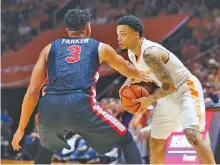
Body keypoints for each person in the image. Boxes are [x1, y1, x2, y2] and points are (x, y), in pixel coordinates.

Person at [11, 9, 152, 164]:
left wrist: (21, 128)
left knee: (46, 150)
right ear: (87, 28)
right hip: (81, 104)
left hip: (51, 105)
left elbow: (32, 90)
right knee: (126, 140)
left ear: (66, 30)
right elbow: (127, 69)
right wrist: (143, 74)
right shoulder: (100, 47)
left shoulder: (49, 48)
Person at [116, 15, 216, 164]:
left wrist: (148, 100)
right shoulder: (132, 53)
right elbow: (139, 72)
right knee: (156, 142)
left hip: (185, 88)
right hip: (167, 95)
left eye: (123, 34)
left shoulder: (150, 53)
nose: (119, 38)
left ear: (135, 35)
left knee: (192, 135)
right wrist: (125, 85)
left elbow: (169, 85)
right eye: (118, 35)